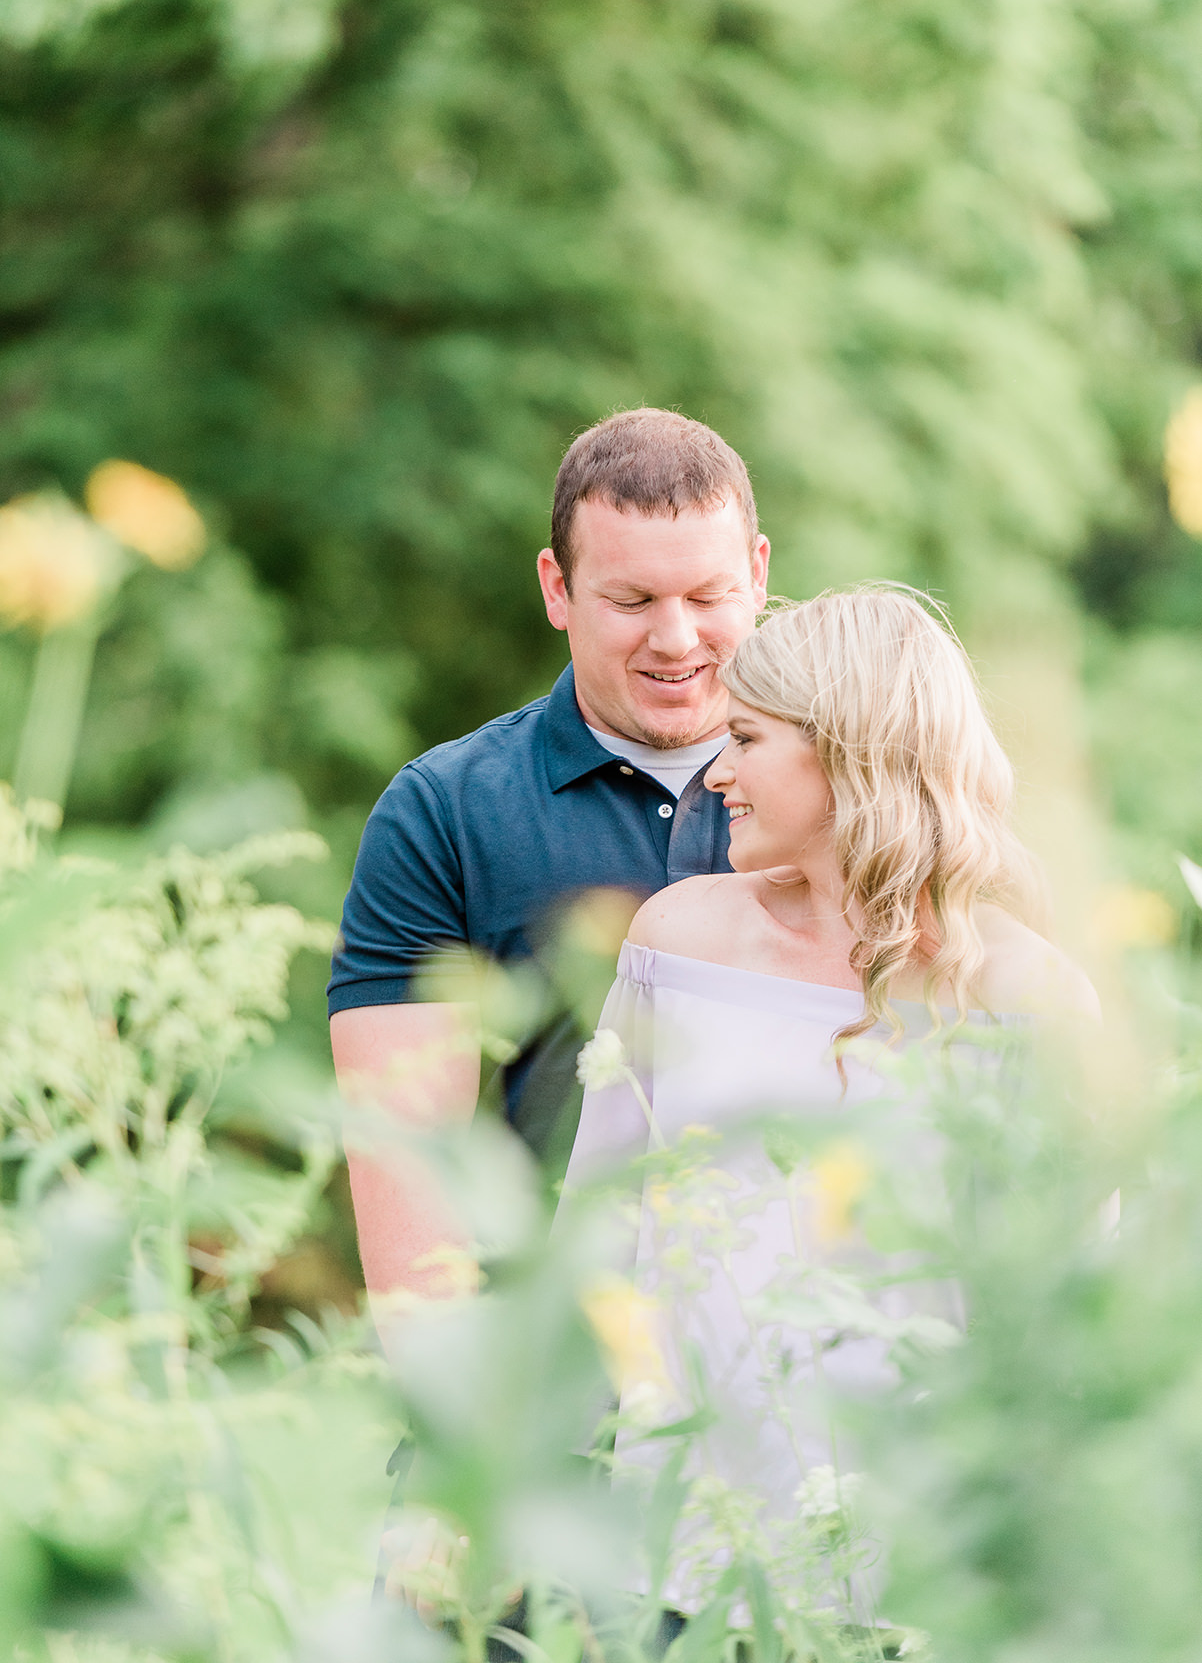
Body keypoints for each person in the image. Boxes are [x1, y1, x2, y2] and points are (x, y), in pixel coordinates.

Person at [563, 587, 1098, 1620]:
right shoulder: (675, 943)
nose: (715, 772)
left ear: (849, 753)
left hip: (917, 1593)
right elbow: (592, 1232)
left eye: (748, 739)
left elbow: (1065, 1332)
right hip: (668, 1567)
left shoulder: (1028, 1005)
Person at [328, 408, 771, 1321]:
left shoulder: (861, 794)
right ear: (558, 589)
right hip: (550, 1382)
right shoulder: (445, 811)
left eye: (708, 596)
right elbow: (409, 1163)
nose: (678, 639)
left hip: (794, 1383)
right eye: (633, 601)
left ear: (759, 573)